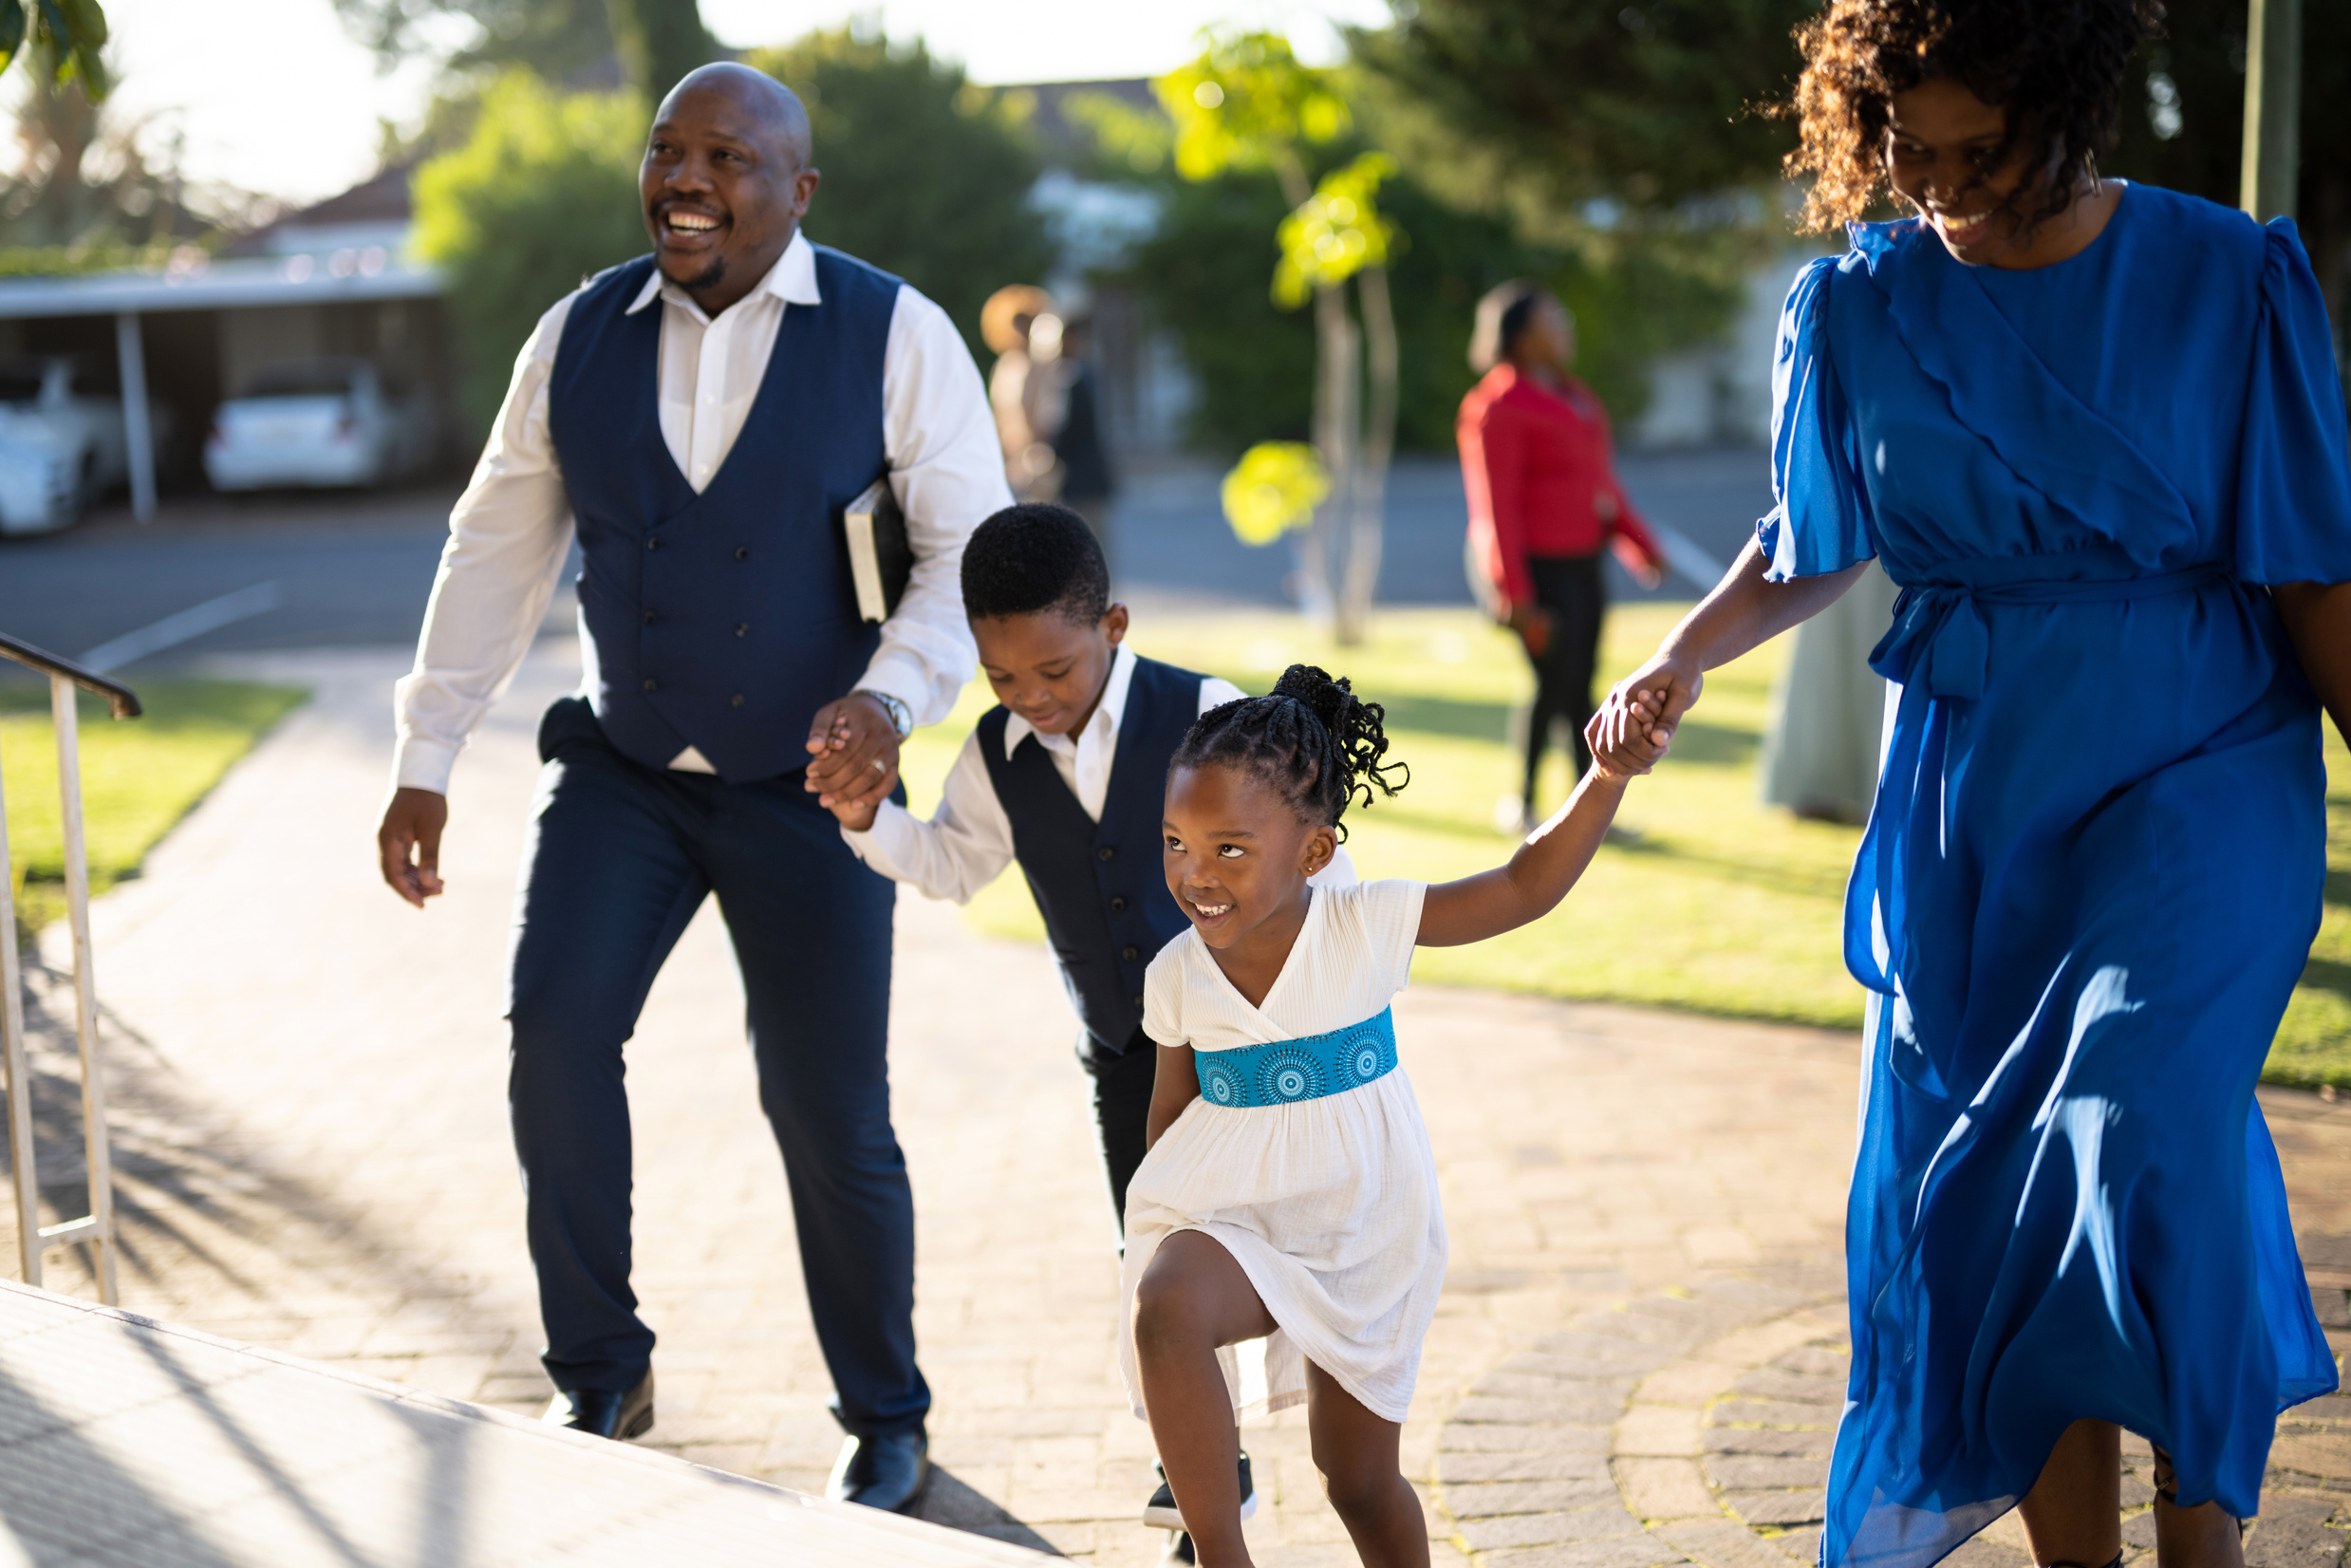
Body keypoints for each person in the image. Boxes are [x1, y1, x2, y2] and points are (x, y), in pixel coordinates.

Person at [1588, 5, 2351, 1568]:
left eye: (1975, 150)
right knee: (2001, 1193)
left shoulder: (2228, 276)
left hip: (2200, 758)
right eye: (1903, 151)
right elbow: (1809, 532)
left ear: (2063, 110)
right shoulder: (1859, 302)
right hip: (1974, 800)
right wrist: (1678, 656)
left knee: (2136, 1128)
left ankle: (2197, 1539)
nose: (1936, 184)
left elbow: (2312, 567)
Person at [372, 64, 1012, 1514]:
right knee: (554, 1034)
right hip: (630, 771)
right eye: (668, 149)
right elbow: (495, 552)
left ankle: (885, 1412)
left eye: (727, 154)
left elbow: (964, 557)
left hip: (813, 787)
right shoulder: (576, 337)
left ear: (799, 188)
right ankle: (599, 1364)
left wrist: (888, 696)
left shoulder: (895, 333)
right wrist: (427, 756)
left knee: (827, 1107)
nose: (686, 176)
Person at [820, 502, 1351, 1558]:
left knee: (1295, 1244)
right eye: (1002, 677)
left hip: (1256, 1041)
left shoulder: (1202, 709)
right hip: (1122, 1054)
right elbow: (950, 864)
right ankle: (1205, 1475)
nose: (1032, 697)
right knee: (1147, 1256)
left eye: (1052, 671)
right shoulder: (992, 755)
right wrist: (864, 816)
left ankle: (1347, 1439)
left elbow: (1305, 848)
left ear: (1110, 623)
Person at [1124, 665, 1635, 1567]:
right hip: (1231, 1211)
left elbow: (1521, 888)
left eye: (1229, 850)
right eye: (1175, 843)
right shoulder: (1174, 973)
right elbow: (1171, 1111)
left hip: (1362, 1220)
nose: (1193, 875)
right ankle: (1219, 1557)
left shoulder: (1363, 925)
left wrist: (1607, 776)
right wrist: (1166, 1239)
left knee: (1355, 1480)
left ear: (1313, 853)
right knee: (1164, 1307)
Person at [1457, 281, 1665, 835]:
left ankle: (1587, 814)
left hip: (1583, 564)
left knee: (1581, 685)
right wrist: (1516, 595)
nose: (1566, 328)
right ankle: (1523, 802)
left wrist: (1637, 542)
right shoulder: (1495, 405)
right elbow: (1493, 505)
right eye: (1555, 319)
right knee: (1555, 686)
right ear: (1522, 337)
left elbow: (1601, 483)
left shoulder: (1576, 397)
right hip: (1534, 571)